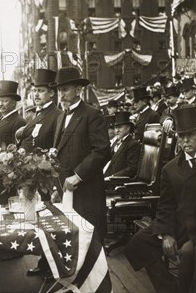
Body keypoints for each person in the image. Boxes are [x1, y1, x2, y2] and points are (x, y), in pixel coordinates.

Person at [125, 105, 196, 293]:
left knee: (188, 254)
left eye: (191, 135)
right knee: (138, 243)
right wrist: (166, 233)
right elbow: (166, 204)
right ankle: (170, 292)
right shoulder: (171, 168)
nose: (185, 141)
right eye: (181, 136)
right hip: (178, 224)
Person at [53, 67, 110, 238]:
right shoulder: (60, 117)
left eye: (65, 89)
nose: (61, 95)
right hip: (66, 189)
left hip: (86, 190)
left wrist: (77, 176)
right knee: (71, 240)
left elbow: (102, 150)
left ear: (78, 90)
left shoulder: (92, 114)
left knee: (89, 238)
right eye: (58, 90)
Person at [0, 80, 26, 205]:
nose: (0, 104)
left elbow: (19, 153)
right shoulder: (3, 119)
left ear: (14, 102)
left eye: (5, 101)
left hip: (5, 180)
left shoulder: (18, 122)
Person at [17, 69, 62, 153]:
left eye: (41, 91)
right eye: (34, 91)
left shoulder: (58, 115)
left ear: (51, 93)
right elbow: (29, 138)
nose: (36, 94)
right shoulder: (31, 114)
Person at [103, 111, 141, 179]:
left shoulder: (133, 144)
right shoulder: (116, 142)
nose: (116, 131)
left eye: (120, 127)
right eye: (115, 127)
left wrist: (112, 177)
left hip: (116, 182)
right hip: (105, 177)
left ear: (128, 128)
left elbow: (132, 169)